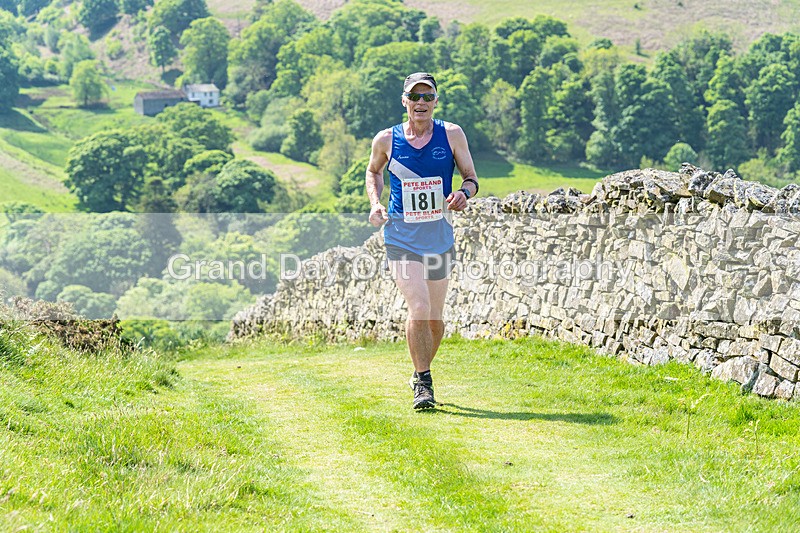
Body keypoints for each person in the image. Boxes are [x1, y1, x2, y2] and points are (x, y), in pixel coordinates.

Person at [365, 72, 479, 410]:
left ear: (436, 101)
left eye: (427, 97)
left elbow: (471, 178)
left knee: (435, 319)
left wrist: (463, 194)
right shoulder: (386, 140)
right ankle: (424, 382)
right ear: (404, 101)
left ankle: (419, 373)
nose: (421, 103)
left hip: (439, 236)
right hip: (401, 237)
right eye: (414, 97)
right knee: (419, 306)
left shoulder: (452, 134)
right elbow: (373, 172)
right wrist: (375, 203)